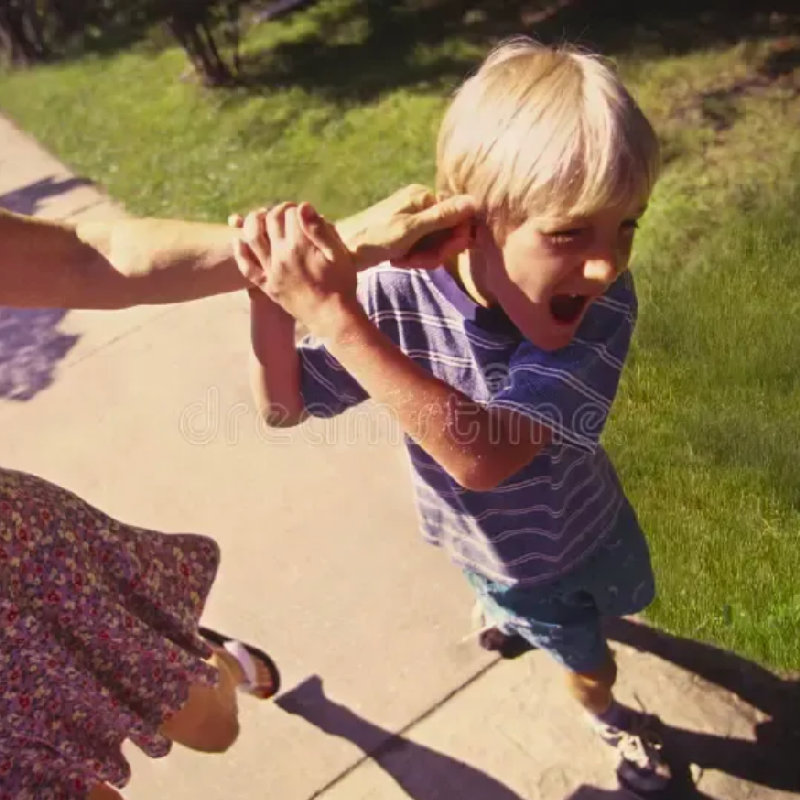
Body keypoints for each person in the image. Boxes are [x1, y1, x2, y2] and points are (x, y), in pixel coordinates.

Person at [233, 38, 671, 795]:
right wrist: (274, 299)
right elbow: (281, 407)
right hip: (502, 552)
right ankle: (608, 721)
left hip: (587, 520)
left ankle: (505, 616)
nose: (609, 264)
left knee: (613, 602)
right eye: (571, 233)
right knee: (592, 661)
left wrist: (338, 319)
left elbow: (487, 455)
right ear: (467, 219)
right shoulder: (391, 302)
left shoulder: (600, 309)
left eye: (627, 224)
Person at [0, 190, 475, 800]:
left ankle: (215, 658)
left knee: (215, 729)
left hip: (25, 585)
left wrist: (308, 253)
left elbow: (83, 257)